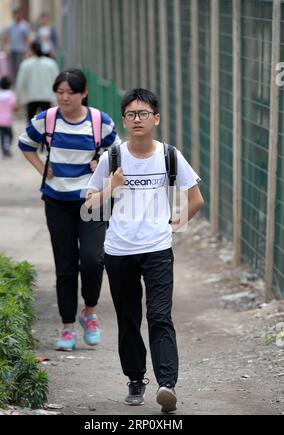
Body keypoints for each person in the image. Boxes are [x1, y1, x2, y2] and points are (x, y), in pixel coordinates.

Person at [86, 89, 204, 413]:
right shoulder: (113, 157)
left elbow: (196, 200)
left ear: (156, 118)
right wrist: (112, 186)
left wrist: (170, 227)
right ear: (124, 120)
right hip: (119, 250)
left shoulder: (169, 155)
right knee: (128, 318)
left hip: (157, 249)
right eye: (130, 114)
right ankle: (136, 379)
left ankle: (167, 385)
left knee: (159, 315)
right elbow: (89, 205)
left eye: (143, 113)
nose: (137, 120)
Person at [18, 69, 121, 351]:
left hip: (93, 199)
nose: (64, 97)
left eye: (70, 92)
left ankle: (89, 313)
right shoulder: (46, 120)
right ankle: (66, 329)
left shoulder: (100, 121)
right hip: (57, 201)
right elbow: (25, 144)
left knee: (93, 259)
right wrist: (43, 169)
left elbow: (118, 155)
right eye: (60, 92)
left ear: (83, 93)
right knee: (65, 266)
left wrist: (101, 162)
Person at [16, 41, 60, 122]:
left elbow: (20, 82)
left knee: (31, 124)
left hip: (31, 98)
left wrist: (17, 99)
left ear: (31, 50)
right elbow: (58, 81)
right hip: (47, 98)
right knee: (47, 123)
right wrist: (56, 98)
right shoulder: (51, 63)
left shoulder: (26, 64)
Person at [0, 76, 17, 159]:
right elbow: (14, 106)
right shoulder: (11, 95)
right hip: (8, 120)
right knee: (11, 135)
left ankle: (4, 154)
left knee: (1, 137)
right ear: (9, 85)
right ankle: (7, 146)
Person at [3, 8, 31, 80]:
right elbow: (6, 36)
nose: (17, 16)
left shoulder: (24, 25)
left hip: (21, 49)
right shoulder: (10, 25)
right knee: (12, 66)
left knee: (19, 65)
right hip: (12, 49)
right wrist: (4, 46)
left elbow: (27, 38)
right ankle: (14, 80)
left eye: (18, 14)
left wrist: (28, 49)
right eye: (15, 14)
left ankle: (20, 79)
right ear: (14, 15)